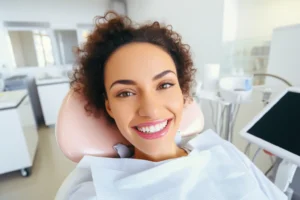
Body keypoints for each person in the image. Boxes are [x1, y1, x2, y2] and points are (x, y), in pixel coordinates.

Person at [56, 11, 286, 200]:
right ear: (109, 107)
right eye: (125, 92)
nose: (151, 110)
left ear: (182, 91)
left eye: (164, 85)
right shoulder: (94, 192)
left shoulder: (224, 152)